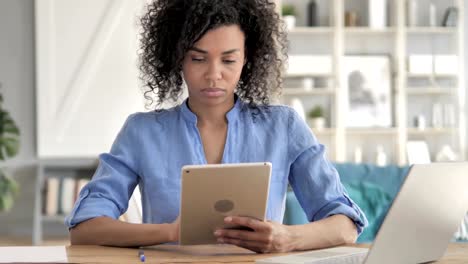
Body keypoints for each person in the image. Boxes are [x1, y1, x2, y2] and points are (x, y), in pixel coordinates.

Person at [66, 0, 367, 253]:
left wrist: (287, 238)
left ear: (247, 59)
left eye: (228, 60)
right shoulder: (142, 132)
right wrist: (170, 232)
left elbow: (345, 224)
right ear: (177, 59)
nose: (213, 75)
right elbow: (84, 228)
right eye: (198, 59)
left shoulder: (283, 126)